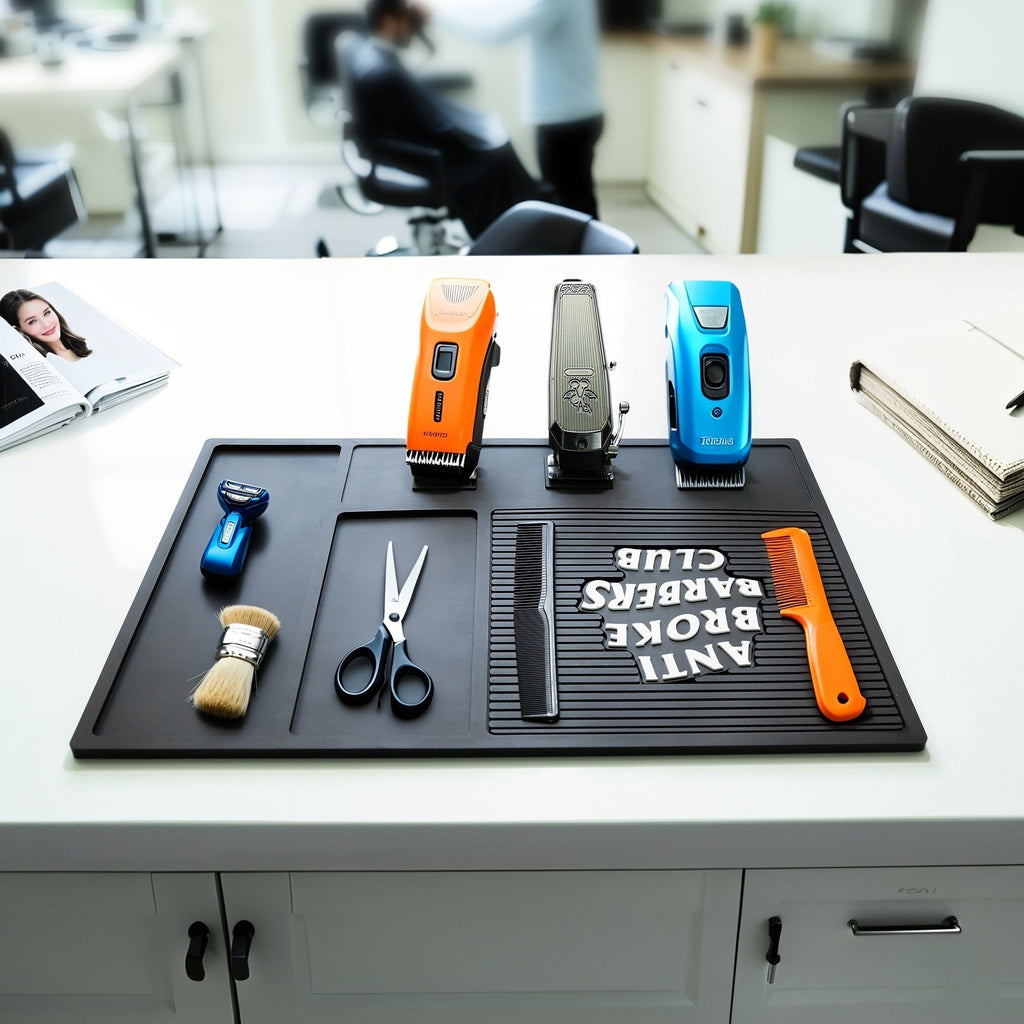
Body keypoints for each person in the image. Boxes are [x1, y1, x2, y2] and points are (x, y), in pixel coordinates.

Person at [353, 0, 544, 237]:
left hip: (408, 148)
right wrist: (473, 140)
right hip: (424, 156)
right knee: (497, 157)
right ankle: (520, 234)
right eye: (407, 20)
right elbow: (430, 127)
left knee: (493, 147)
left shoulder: (376, 60)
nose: (411, 27)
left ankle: (530, 222)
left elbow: (426, 121)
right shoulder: (384, 74)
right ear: (389, 21)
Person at [421, 0, 604, 218]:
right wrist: (437, 10)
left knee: (572, 209)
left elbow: (496, 32)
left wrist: (435, 15)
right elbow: (503, 8)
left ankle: (585, 241)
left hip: (566, 120)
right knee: (575, 203)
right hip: (571, 113)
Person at [0, 289, 91, 362]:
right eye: (32, 321)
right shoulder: (37, 364)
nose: (46, 324)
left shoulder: (87, 346)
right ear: (18, 330)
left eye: (47, 313)